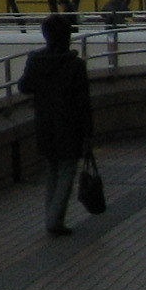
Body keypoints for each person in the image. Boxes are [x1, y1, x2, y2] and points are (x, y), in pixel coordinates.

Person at [18, 13, 94, 237]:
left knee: (52, 169)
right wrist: (89, 133)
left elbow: (24, 87)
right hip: (71, 124)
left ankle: (51, 216)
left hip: (44, 122)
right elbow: (84, 102)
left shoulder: (35, 60)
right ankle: (55, 218)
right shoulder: (75, 65)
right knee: (67, 170)